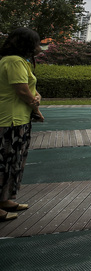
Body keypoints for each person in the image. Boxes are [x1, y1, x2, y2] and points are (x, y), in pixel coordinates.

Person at [0, 28, 43, 222]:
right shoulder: (14, 61)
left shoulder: (18, 61)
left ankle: (4, 199)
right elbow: (22, 91)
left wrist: (36, 99)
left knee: (12, 161)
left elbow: (29, 89)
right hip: (10, 120)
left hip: (18, 118)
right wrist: (35, 106)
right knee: (5, 162)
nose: (38, 47)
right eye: (36, 43)